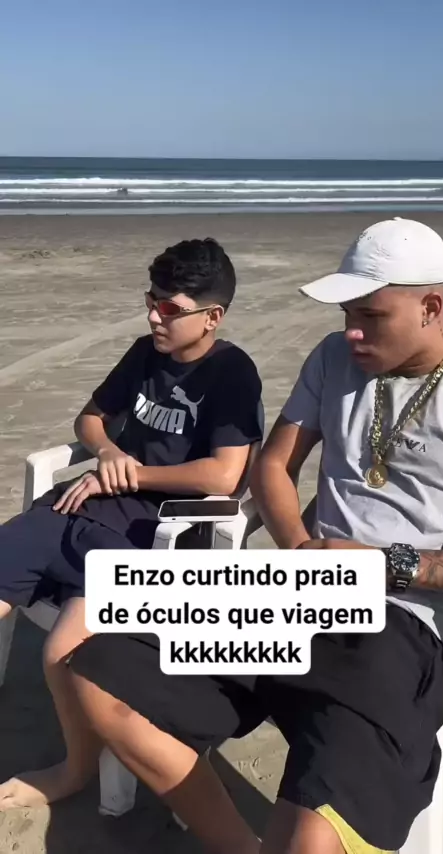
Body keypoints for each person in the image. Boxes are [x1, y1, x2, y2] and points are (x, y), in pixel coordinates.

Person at [66, 218, 443, 854]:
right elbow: (272, 468)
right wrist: (304, 553)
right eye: (347, 313)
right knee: (99, 676)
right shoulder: (333, 357)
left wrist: (385, 565)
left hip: (399, 623)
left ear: (430, 306)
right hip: (296, 588)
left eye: (371, 315)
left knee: (312, 839)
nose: (352, 331)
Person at [0, 237, 263, 810]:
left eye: (171, 308)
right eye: (151, 301)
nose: (154, 316)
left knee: (61, 653)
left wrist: (133, 475)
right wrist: (107, 453)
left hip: (151, 537)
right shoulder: (146, 353)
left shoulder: (231, 374)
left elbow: (225, 475)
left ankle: (73, 772)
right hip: (74, 509)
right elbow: (91, 418)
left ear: (212, 316)